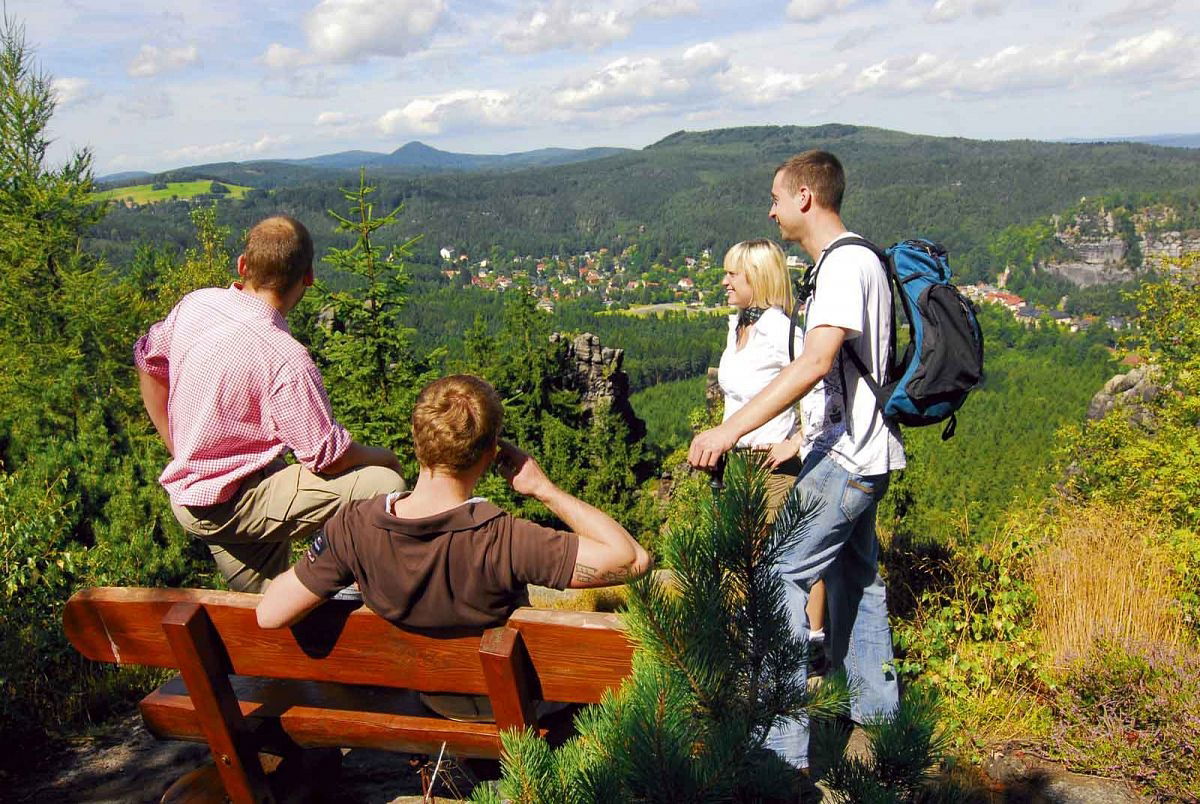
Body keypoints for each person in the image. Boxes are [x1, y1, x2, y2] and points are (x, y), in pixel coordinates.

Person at [689, 151, 904, 769]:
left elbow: (813, 363)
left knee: (780, 572)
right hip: (868, 451)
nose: (772, 208)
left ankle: (781, 749)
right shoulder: (862, 259)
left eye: (777, 197)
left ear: (806, 196)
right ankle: (877, 730)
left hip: (847, 454)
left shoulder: (842, 266)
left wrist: (729, 429)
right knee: (855, 581)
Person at [257, 373, 652, 633]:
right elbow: (632, 560)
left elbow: (269, 614)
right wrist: (543, 489)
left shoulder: (354, 527)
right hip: (502, 714)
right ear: (490, 453)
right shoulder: (502, 540)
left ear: (416, 439)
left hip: (414, 707)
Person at [134, 215, 405, 594]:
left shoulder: (196, 305)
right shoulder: (284, 357)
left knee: (269, 606)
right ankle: (369, 590)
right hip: (232, 501)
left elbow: (148, 362)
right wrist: (387, 456)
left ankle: (298, 604)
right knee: (384, 484)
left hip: (193, 497)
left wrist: (177, 448)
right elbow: (326, 457)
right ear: (307, 278)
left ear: (243, 266)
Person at [716, 238, 827, 655]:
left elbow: (821, 385)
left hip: (772, 465)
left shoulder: (781, 329)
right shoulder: (738, 324)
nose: (725, 281)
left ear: (757, 277)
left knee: (789, 555)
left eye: (733, 273)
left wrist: (797, 441)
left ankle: (812, 647)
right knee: (745, 555)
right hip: (737, 463)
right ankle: (756, 645)